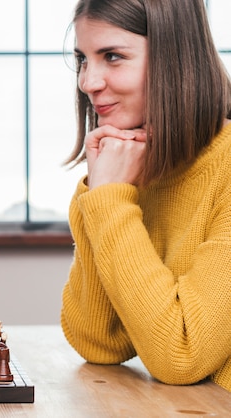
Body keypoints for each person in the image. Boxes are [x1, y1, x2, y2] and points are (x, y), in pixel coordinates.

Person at [60, 0, 231, 392]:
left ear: (176, 58)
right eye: (83, 59)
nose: (88, 81)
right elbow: (99, 341)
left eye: (113, 56)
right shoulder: (132, 173)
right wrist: (103, 194)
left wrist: (110, 202)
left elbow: (181, 355)